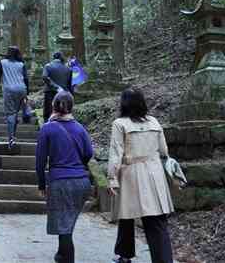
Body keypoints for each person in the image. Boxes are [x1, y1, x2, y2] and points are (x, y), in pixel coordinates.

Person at [107, 89, 174, 263]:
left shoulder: (119, 123)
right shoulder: (154, 122)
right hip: (154, 172)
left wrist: (112, 178)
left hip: (131, 173)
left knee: (127, 214)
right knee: (157, 222)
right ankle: (162, 260)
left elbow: (116, 153)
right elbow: (164, 150)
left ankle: (124, 254)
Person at [36, 91, 93, 263]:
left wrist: (41, 185)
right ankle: (61, 255)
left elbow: (40, 161)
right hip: (82, 182)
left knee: (64, 227)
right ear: (71, 107)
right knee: (67, 224)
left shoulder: (47, 128)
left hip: (60, 182)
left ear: (53, 106)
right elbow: (89, 153)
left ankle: (66, 258)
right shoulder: (80, 128)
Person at [0, 46, 29, 149]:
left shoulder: (3, 63)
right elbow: (26, 79)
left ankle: (11, 139)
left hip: (9, 90)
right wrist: (27, 93)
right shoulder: (21, 64)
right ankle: (14, 135)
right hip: (22, 89)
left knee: (10, 114)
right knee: (15, 113)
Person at [42, 52, 74, 123]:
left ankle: (48, 127)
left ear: (53, 58)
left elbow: (44, 77)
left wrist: (55, 86)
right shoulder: (68, 68)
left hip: (50, 92)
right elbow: (70, 84)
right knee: (62, 111)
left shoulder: (48, 66)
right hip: (64, 93)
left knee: (49, 111)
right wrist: (71, 94)